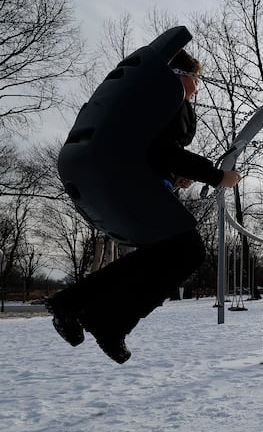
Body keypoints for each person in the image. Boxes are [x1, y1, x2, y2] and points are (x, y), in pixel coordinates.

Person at [45, 49, 241, 364]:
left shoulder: (146, 102)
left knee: (162, 254)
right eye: (197, 79)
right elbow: (164, 150)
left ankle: (79, 306)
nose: (198, 87)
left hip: (121, 180)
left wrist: (173, 176)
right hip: (128, 184)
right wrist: (219, 176)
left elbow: (151, 151)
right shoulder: (167, 97)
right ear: (181, 75)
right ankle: (104, 320)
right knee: (189, 251)